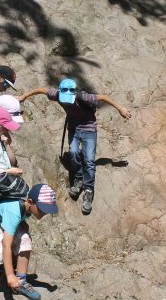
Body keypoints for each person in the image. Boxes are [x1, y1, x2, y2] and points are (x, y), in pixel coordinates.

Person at [20, 78, 132, 215]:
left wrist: (120, 108)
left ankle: (89, 190)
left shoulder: (83, 97)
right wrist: (24, 96)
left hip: (89, 128)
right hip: (73, 127)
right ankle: (78, 178)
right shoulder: (57, 94)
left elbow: (102, 97)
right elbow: (42, 90)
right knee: (73, 153)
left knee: (90, 160)